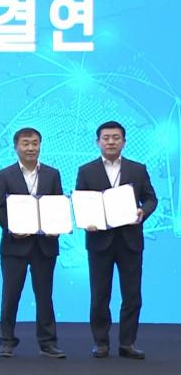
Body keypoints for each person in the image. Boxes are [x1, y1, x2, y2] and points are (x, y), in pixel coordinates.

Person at [76, 121, 157, 359]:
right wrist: (86, 220)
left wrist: (143, 211)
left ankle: (127, 343)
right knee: (100, 295)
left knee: (132, 295)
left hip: (130, 241)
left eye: (116, 138)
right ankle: (101, 343)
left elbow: (151, 199)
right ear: (98, 142)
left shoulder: (138, 169)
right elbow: (80, 202)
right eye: (106, 138)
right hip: (99, 241)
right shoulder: (86, 170)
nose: (111, 142)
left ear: (124, 142)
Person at [0, 127, 65, 358]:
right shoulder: (5, 174)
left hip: (45, 245)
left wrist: (56, 228)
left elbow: (58, 206)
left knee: (45, 296)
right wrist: (12, 228)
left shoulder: (52, 174)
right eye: (25, 143)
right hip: (14, 245)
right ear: (16, 147)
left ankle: (47, 343)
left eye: (35, 143)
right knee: (10, 295)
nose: (31, 148)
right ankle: (6, 341)